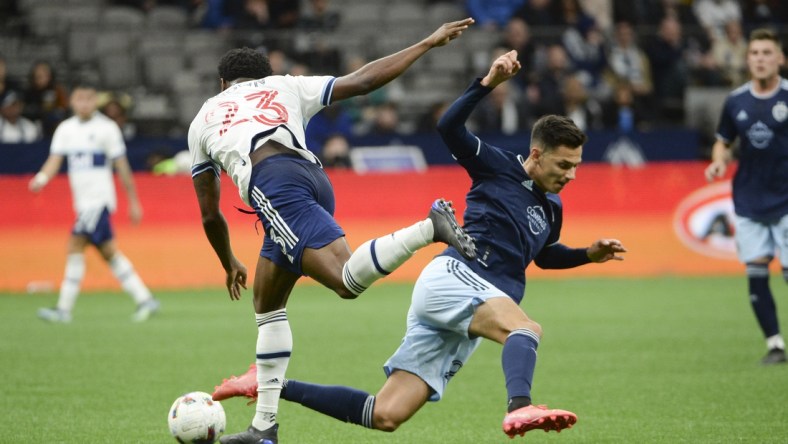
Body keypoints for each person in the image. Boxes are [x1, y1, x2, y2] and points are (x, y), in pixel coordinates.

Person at [212, 50, 627, 439]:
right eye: (563, 165)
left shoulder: (552, 208)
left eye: (576, 166)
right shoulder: (497, 165)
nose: (571, 175)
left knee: (385, 414)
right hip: (456, 280)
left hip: (476, 303)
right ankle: (521, 405)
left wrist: (587, 255)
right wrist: (487, 83)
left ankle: (268, 384)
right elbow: (449, 127)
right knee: (526, 328)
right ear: (537, 154)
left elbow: (543, 256)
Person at [188, 19, 477, 444]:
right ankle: (263, 429)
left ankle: (428, 226)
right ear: (263, 77)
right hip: (314, 180)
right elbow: (363, 81)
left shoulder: (203, 118)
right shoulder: (284, 86)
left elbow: (210, 214)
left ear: (221, 82)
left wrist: (228, 260)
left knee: (345, 281)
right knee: (267, 303)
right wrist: (427, 43)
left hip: (273, 187)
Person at [29, 84, 160, 323]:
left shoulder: (106, 129)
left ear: (95, 102)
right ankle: (145, 299)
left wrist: (133, 201)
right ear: (72, 102)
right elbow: (54, 160)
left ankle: (63, 309)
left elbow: (122, 166)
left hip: (98, 201)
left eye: (89, 99)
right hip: (82, 203)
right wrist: (41, 178)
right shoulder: (66, 129)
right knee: (108, 252)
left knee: (74, 245)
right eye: (79, 99)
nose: (84, 104)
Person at [704, 28, 788, 365]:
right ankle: (775, 345)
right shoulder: (736, 100)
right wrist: (718, 161)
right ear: (747, 58)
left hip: (786, 198)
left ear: (780, 59)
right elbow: (723, 139)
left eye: (767, 53)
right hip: (750, 199)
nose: (760, 59)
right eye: (754, 53)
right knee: (756, 273)